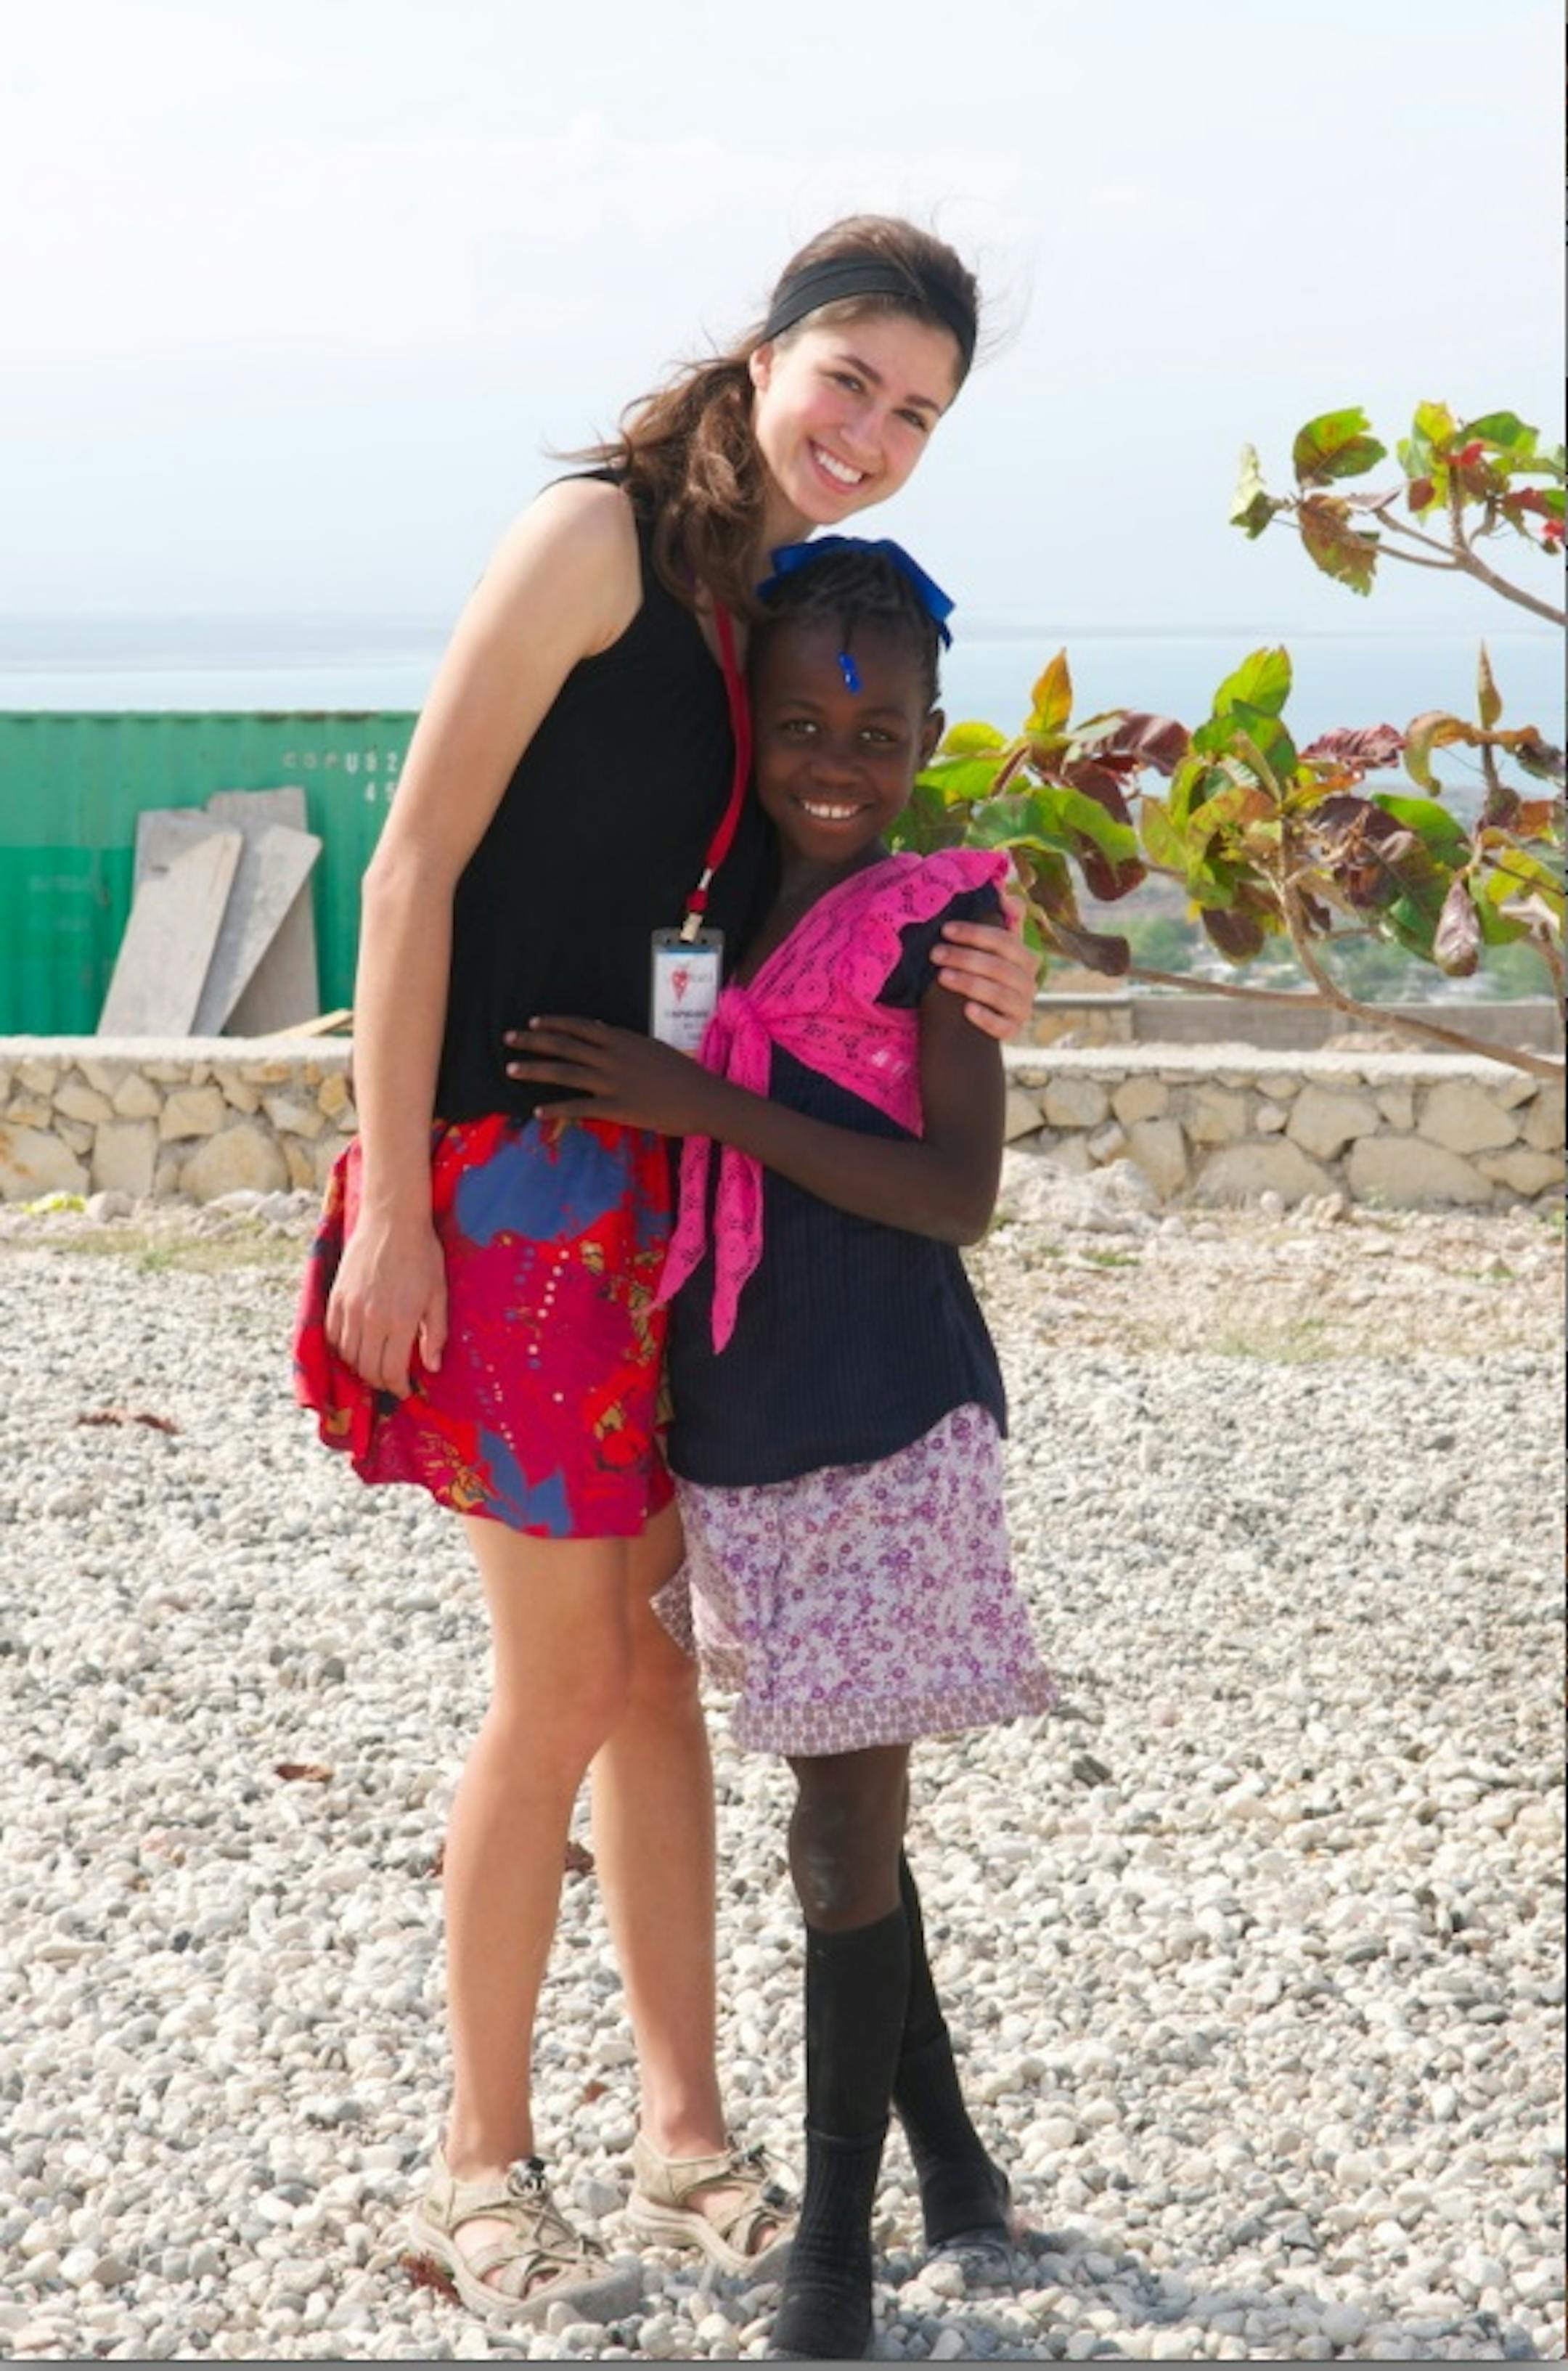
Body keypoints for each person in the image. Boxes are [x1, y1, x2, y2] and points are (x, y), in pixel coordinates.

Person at [293, 216, 1040, 2328]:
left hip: (651, 1188)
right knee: (561, 1688)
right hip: (505, 1183)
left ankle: (686, 2132)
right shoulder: (596, 542)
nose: (873, 434)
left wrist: (985, 953)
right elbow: (416, 857)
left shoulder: (766, 594)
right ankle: (475, 2167)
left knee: (653, 1687)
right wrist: (401, 1198)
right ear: (774, 347)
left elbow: (840, 812)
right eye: (853, 383)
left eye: (917, 416)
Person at [506, 539, 1055, 2359]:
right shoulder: (715, 905)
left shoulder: (937, 923)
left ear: (927, 740)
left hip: (881, 1416)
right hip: (735, 1418)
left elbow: (957, 1190)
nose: (838, 757)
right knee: (846, 1796)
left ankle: (833, 2255)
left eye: (878, 730)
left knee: (835, 1825)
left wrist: (701, 1101)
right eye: (804, 719)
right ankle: (960, 2169)